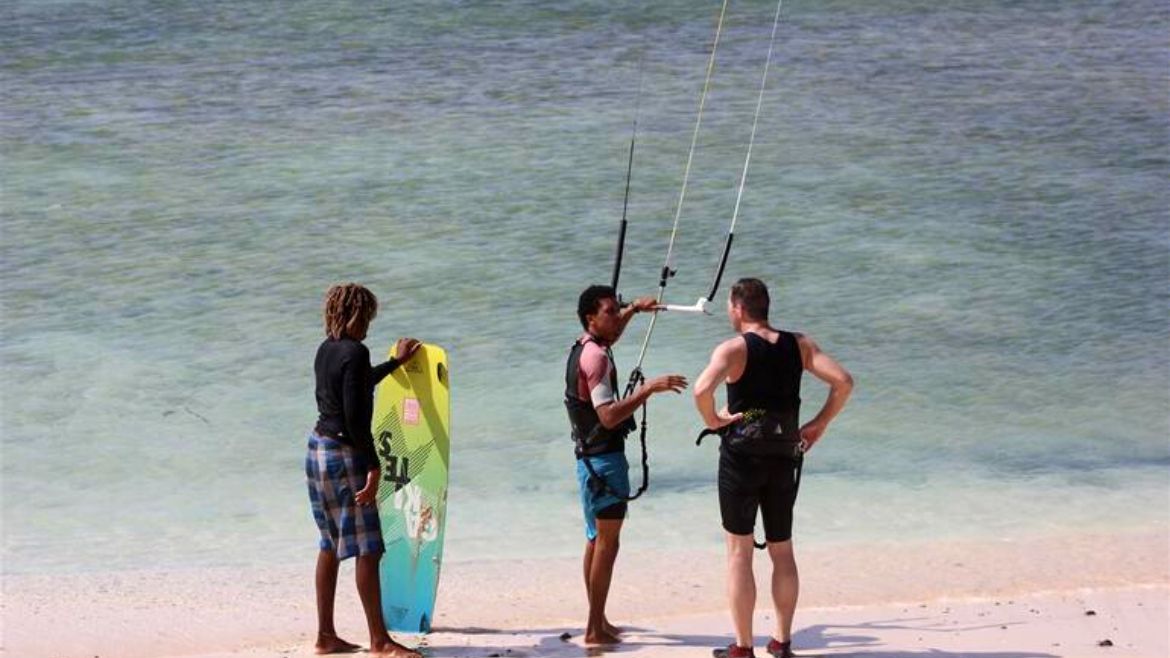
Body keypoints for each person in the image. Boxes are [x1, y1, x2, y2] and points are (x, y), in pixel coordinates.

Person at [693, 278, 853, 658]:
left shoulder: (733, 349)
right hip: (784, 455)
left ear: (737, 308)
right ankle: (781, 642)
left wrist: (713, 420)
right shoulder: (800, 345)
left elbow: (701, 390)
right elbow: (844, 382)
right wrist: (819, 424)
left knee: (739, 552)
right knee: (782, 550)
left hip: (742, 458)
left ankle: (743, 647)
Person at [565, 284, 688, 645]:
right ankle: (594, 629)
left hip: (588, 461)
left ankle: (598, 620)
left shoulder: (585, 347)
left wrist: (634, 308)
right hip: (604, 463)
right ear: (591, 318)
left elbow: (612, 334)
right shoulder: (598, 359)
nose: (616, 316)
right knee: (607, 545)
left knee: (595, 541)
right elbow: (607, 416)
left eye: (617, 310)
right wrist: (648, 390)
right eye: (610, 312)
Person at [306, 283, 423, 657]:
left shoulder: (326, 349)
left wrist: (394, 364)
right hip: (345, 453)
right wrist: (374, 466)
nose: (369, 325)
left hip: (318, 449)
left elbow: (354, 388)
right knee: (369, 548)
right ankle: (380, 642)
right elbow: (356, 416)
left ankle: (325, 636)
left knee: (329, 543)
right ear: (356, 314)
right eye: (368, 317)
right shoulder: (355, 352)